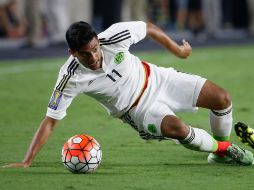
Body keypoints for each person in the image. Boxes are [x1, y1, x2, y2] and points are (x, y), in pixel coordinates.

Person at [3, 20, 253, 168]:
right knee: (177, 128)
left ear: (98, 41)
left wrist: (177, 51)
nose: (93, 57)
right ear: (72, 52)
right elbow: (51, 120)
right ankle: (225, 148)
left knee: (222, 98)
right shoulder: (69, 77)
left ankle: (220, 154)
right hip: (138, 111)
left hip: (158, 78)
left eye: (95, 49)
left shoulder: (114, 36)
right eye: (84, 54)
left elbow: (149, 28)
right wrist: (27, 161)